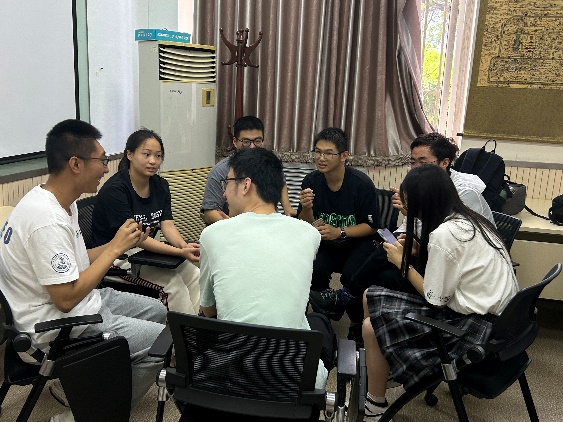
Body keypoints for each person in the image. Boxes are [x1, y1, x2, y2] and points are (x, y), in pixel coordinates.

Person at [0, 119, 166, 422]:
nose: (106, 168)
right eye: (101, 160)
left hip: (79, 302)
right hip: (56, 326)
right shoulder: (46, 220)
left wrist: (119, 243)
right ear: (75, 164)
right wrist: (114, 250)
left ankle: (90, 387)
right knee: (164, 342)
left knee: (158, 310)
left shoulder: (60, 201)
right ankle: (90, 414)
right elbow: (65, 299)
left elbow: (77, 261)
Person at [361, 164, 518, 420]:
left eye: (409, 202)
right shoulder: (468, 218)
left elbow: (435, 299)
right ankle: (385, 370)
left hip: (472, 331)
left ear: (425, 203)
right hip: (498, 322)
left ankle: (375, 404)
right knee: (370, 295)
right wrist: (418, 251)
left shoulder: (446, 234)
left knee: (370, 327)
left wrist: (403, 262)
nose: (406, 208)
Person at [320, 132, 497, 339]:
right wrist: (407, 219)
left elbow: (450, 239)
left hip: (455, 273)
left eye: (423, 162)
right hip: (432, 251)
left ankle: (350, 306)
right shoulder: (425, 183)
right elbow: (412, 229)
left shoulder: (465, 193)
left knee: (382, 272)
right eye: (413, 162)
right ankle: (356, 316)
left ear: (445, 162)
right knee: (387, 247)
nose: (416, 167)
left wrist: (411, 218)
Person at [199, 147, 332, 392]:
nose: (224, 193)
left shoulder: (212, 235)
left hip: (231, 377)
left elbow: (208, 310)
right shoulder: (309, 234)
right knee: (318, 323)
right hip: (293, 380)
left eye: (227, 183)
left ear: (245, 185)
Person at [91, 128, 200, 315]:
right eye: (146, 154)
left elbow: (167, 224)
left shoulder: (160, 185)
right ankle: (180, 333)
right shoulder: (115, 190)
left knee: (193, 273)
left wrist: (184, 246)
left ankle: (196, 327)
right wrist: (179, 252)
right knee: (173, 285)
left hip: (144, 253)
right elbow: (135, 238)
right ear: (130, 155)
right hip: (115, 258)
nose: (153, 161)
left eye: (158, 156)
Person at [298, 127, 382, 340]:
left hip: (357, 241)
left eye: (328, 153)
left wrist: (340, 231)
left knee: (353, 274)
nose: (321, 158)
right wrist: (306, 208)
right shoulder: (311, 181)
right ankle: (322, 317)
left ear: (344, 156)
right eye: (317, 152)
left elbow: (372, 226)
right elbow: (305, 223)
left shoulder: (361, 184)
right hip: (328, 243)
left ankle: (356, 323)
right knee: (314, 268)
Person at [201, 115, 296, 224]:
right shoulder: (220, 171)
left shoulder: (269, 163)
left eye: (257, 141)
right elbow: (209, 212)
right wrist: (232, 225)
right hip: (234, 226)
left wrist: (287, 208)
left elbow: (280, 183)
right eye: (246, 141)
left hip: (267, 224)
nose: (252, 147)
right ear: (235, 142)